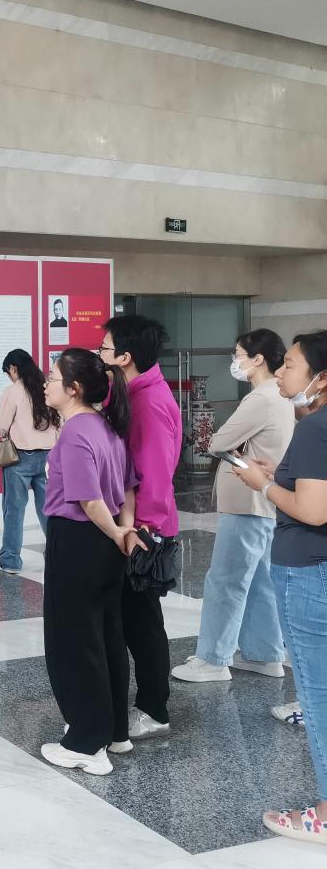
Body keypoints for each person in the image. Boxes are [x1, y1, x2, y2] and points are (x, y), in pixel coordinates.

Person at [232, 330, 327, 845]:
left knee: (318, 693)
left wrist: (264, 485)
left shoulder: (315, 429)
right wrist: (282, 476)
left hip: (310, 571)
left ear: (321, 377)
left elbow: (313, 510)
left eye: (290, 364)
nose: (282, 372)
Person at [38, 349, 143, 776]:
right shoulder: (107, 426)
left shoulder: (77, 432)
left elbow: (88, 499)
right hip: (107, 542)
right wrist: (124, 530)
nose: (46, 383)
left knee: (74, 642)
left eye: (52, 377)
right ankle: (114, 731)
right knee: (106, 638)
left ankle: (85, 743)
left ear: (74, 388)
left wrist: (116, 531)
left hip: (80, 540)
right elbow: (128, 489)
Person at [173, 330, 295, 683]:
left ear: (258, 359)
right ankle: (263, 655)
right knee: (257, 582)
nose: (235, 361)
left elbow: (217, 442)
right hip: (261, 500)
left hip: (246, 500)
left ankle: (213, 659)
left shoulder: (261, 398)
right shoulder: (278, 394)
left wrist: (231, 447)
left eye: (239, 354)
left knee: (225, 581)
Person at [101, 314, 182, 741]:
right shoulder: (134, 391)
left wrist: (140, 531)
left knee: (143, 622)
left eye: (104, 348)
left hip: (145, 530)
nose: (99, 354)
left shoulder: (148, 403)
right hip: (136, 525)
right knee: (137, 619)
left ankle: (154, 709)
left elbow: (155, 473)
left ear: (125, 357)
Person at [0, 349, 60, 575]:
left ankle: (11, 560)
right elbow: (59, 421)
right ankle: (57, 555)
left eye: (8, 372)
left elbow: (0, 426)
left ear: (13, 368)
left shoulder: (13, 391)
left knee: (14, 509)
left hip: (20, 458)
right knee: (49, 509)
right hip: (48, 457)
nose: (9, 377)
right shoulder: (47, 386)